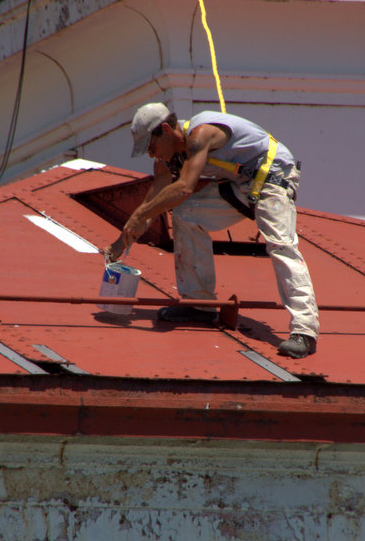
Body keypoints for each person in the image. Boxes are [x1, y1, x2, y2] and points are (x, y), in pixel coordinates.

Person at [104, 103, 319, 358]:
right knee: (186, 215)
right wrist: (121, 241)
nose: (152, 155)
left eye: (151, 146)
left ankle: (305, 331)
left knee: (281, 245)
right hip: (240, 186)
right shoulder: (168, 159)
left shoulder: (200, 133)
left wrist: (141, 214)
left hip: (273, 177)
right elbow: (153, 201)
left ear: (165, 129)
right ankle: (200, 305)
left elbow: (184, 188)